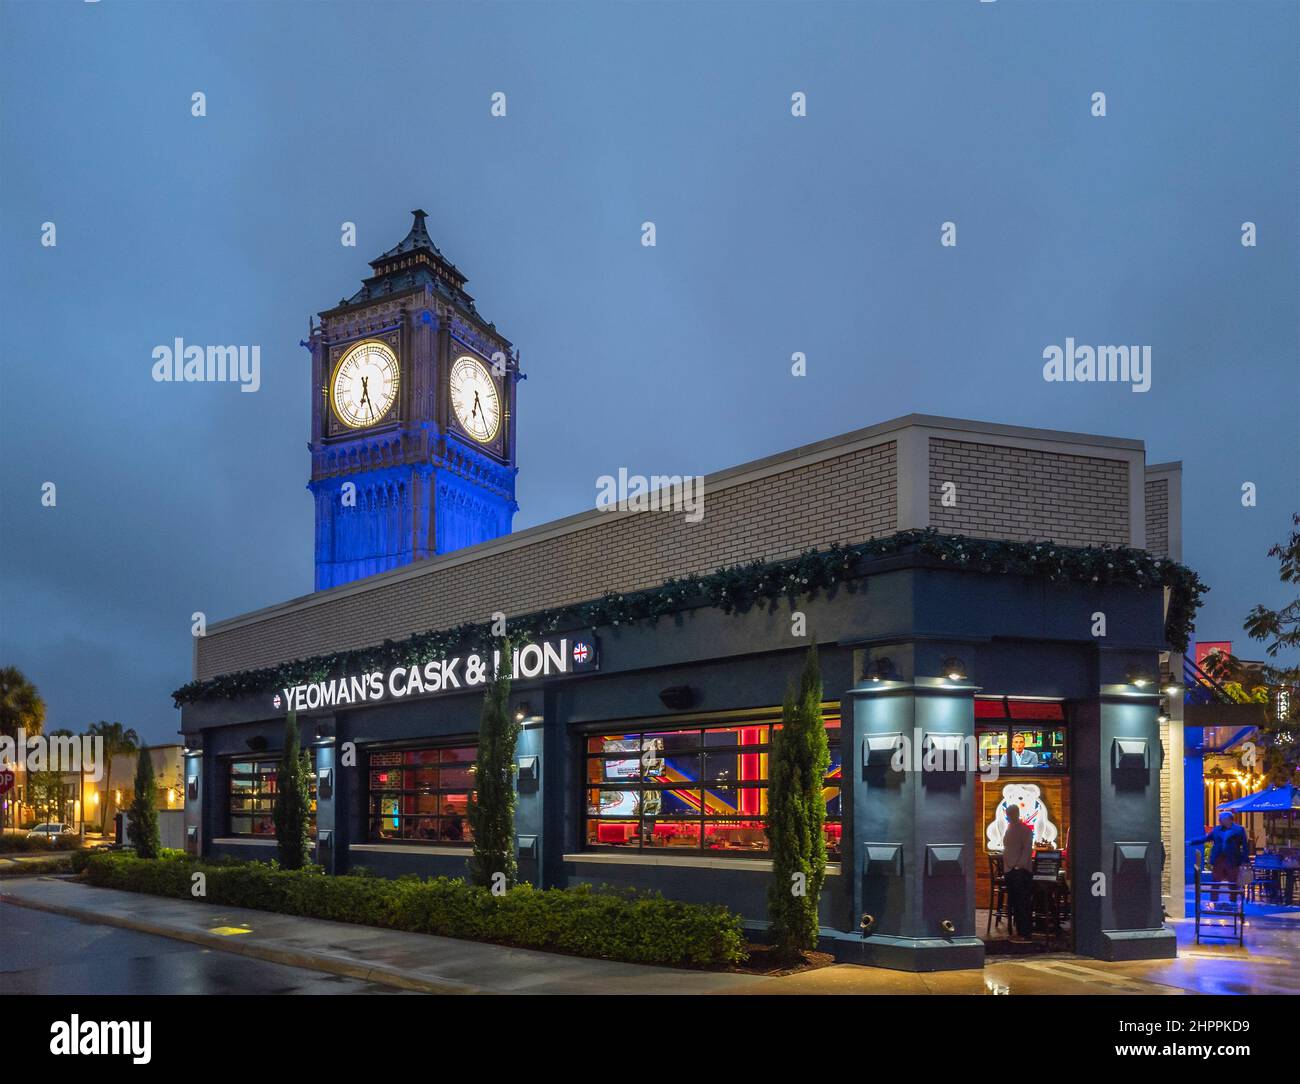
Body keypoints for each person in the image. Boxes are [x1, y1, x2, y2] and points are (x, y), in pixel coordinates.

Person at [1188, 811, 1248, 905]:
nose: (1219, 821)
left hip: (1232, 859)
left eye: (1221, 819)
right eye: (1219, 819)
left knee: (1233, 882)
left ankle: (1233, 902)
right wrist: (1191, 842)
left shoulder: (1239, 830)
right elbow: (1206, 838)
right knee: (1215, 881)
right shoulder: (1217, 830)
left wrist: (1245, 860)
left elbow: (1245, 846)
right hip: (1219, 859)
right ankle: (1214, 901)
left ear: (1229, 819)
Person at [1001, 804, 1035, 943]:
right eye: (1008, 813)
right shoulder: (1011, 828)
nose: (1008, 816)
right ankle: (1020, 932)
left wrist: (1018, 866)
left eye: (1010, 813)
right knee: (1015, 902)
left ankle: (1025, 933)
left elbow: (1027, 850)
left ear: (1016, 813)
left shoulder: (1024, 830)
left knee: (1022, 903)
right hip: (1011, 870)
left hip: (1020, 871)